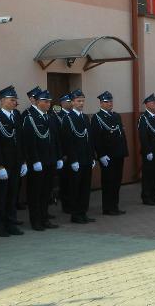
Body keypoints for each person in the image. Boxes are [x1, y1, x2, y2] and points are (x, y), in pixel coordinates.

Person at [0, 85, 27, 237]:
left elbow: (20, 141)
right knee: (1, 197)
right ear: (3, 100)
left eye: (15, 100)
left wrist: (23, 161)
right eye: (12, 100)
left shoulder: (16, 116)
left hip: (16, 163)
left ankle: (11, 224)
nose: (14, 102)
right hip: (4, 164)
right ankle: (0, 226)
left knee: (12, 196)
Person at [23, 90, 61, 230]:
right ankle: (36, 221)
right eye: (45, 101)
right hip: (38, 162)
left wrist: (58, 157)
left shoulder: (49, 117)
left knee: (46, 192)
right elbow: (29, 142)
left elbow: (55, 139)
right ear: (38, 102)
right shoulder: (30, 118)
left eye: (49, 101)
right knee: (35, 193)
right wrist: (35, 160)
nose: (48, 104)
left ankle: (45, 219)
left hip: (50, 160)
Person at [61, 89, 96, 224]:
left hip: (86, 158)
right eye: (78, 101)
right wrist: (73, 159)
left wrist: (92, 156)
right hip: (76, 160)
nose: (81, 103)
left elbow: (89, 139)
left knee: (85, 188)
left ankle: (83, 212)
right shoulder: (68, 118)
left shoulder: (85, 117)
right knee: (75, 188)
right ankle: (75, 214)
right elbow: (67, 141)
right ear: (72, 102)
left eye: (82, 101)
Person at [90, 91, 128, 215]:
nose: (110, 104)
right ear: (101, 103)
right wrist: (101, 155)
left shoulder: (116, 116)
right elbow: (96, 138)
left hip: (118, 154)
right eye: (107, 102)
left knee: (117, 181)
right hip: (107, 155)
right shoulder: (97, 117)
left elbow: (121, 135)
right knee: (108, 182)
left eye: (111, 101)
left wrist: (124, 151)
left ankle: (115, 206)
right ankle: (107, 207)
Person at [138, 94, 155, 206]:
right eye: (153, 103)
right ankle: (146, 196)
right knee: (148, 174)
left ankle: (154, 195)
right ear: (147, 104)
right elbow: (143, 136)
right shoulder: (143, 118)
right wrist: (147, 151)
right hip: (149, 149)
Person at [56, 93, 73, 214]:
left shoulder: (73, 115)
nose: (71, 103)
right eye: (68, 101)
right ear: (62, 103)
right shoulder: (58, 116)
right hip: (64, 154)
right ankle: (66, 205)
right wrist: (62, 154)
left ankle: (73, 202)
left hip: (74, 153)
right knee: (65, 180)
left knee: (73, 180)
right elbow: (58, 137)